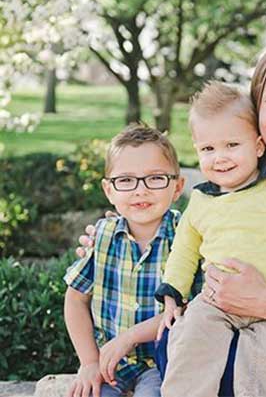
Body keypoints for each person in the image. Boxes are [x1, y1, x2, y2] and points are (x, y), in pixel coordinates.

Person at [78, 39, 266, 395]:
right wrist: (115, 233)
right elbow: (182, 236)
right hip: (218, 312)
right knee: (179, 343)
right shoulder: (215, 187)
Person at [154, 81, 266, 397]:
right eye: (208, 149)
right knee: (189, 343)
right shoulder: (200, 201)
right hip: (215, 299)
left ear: (259, 146)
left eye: (232, 145)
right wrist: (172, 296)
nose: (220, 157)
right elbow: (183, 252)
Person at [64, 125, 185, 397]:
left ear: (177, 187)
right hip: (110, 364)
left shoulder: (186, 237)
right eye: (126, 180)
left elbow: (186, 310)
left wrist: (129, 337)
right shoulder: (103, 236)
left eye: (155, 179)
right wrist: (89, 362)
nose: (140, 191)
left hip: (165, 363)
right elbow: (75, 299)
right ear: (109, 190)